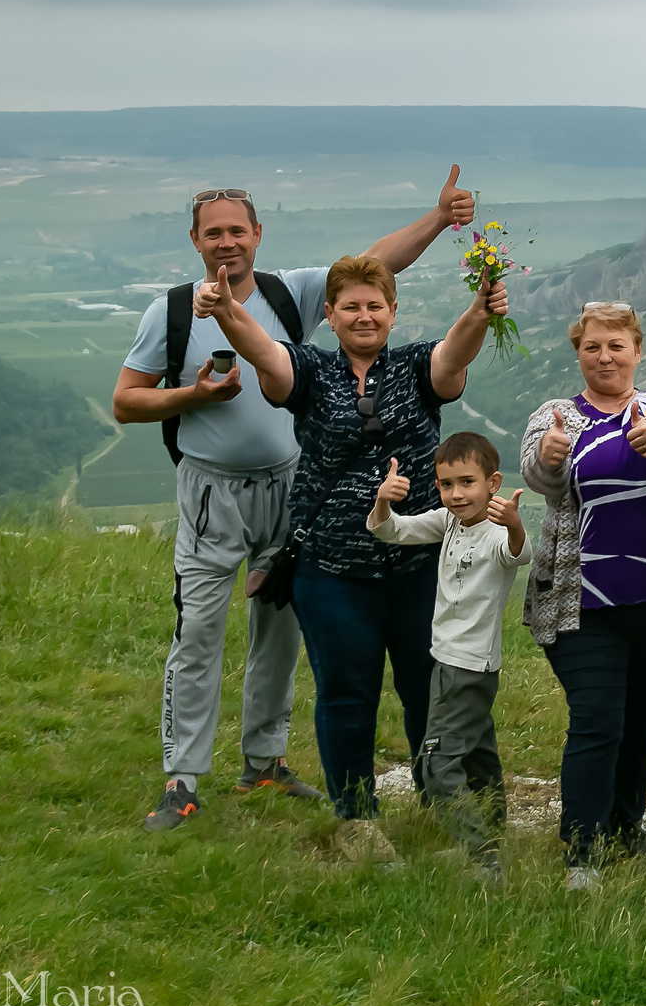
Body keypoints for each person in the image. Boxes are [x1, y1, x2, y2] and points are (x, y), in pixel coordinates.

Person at [118, 170, 475, 833]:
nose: (227, 242)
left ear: (257, 234)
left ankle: (263, 760)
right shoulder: (170, 312)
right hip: (209, 488)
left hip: (289, 485)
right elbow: (125, 399)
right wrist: (190, 397)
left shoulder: (289, 293)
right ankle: (182, 777)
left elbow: (372, 267)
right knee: (197, 628)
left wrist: (437, 218)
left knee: (278, 626)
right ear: (195, 240)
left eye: (237, 230)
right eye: (213, 232)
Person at [198, 251, 509, 851]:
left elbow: (454, 356)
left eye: (375, 306)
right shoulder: (310, 370)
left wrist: (478, 310)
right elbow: (264, 352)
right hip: (334, 568)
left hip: (421, 566)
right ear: (332, 317)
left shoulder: (417, 367)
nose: (363, 316)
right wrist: (230, 311)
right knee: (346, 692)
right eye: (350, 308)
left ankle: (442, 803)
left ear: (393, 313)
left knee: (428, 690)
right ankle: (356, 816)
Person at [518, 303, 646, 890]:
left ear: (637, 350)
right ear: (578, 352)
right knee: (598, 716)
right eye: (593, 346)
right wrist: (550, 459)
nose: (605, 357)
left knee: (644, 716)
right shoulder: (554, 416)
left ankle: (626, 829)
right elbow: (538, 474)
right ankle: (582, 849)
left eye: (616, 346)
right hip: (582, 596)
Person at [365, 430, 531, 876]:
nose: (456, 494)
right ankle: (493, 835)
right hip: (446, 660)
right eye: (446, 484)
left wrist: (514, 524)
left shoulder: (497, 532)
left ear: (493, 483)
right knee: (477, 755)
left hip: (469, 667)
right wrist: (383, 500)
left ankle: (482, 857)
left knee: (437, 764)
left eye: (467, 482)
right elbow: (391, 530)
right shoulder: (449, 522)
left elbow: (518, 554)